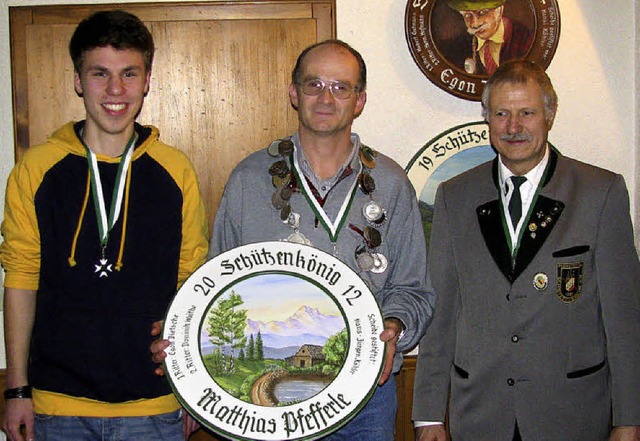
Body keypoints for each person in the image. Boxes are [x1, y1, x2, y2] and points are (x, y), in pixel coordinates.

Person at [151, 39, 435, 440]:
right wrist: (187, 341)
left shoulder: (390, 184)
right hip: (266, 412)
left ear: (359, 100)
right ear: (293, 93)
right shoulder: (249, 179)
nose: (326, 97)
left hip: (368, 395)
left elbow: (413, 289)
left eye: (341, 87)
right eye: (313, 84)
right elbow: (216, 287)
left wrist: (394, 324)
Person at [0, 10, 208, 441]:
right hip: (56, 405)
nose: (116, 90)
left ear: (147, 79)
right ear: (78, 80)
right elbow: (20, 279)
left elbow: (192, 281)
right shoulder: (37, 169)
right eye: (100, 74)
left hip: (155, 405)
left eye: (129, 73)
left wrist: (193, 388)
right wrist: (16, 389)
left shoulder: (175, 171)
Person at [412, 59, 640, 440]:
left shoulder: (600, 193)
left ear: (549, 115)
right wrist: (428, 415)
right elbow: (442, 314)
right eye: (501, 113)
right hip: (481, 414)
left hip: (573, 414)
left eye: (527, 113)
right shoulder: (454, 196)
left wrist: (629, 418)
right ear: (487, 118)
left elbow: (624, 319)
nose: (513, 127)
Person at [444, 0, 533, 75]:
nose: (475, 23)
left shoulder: (525, 40)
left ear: (499, 11)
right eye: (468, 16)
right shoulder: (457, 47)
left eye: (482, 13)